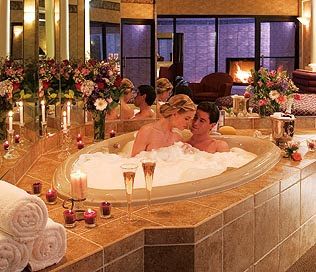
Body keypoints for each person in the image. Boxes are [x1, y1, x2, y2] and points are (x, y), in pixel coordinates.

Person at [131, 94, 196, 156]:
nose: (188, 123)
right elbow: (134, 162)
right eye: (186, 119)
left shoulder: (177, 137)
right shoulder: (146, 132)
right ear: (174, 114)